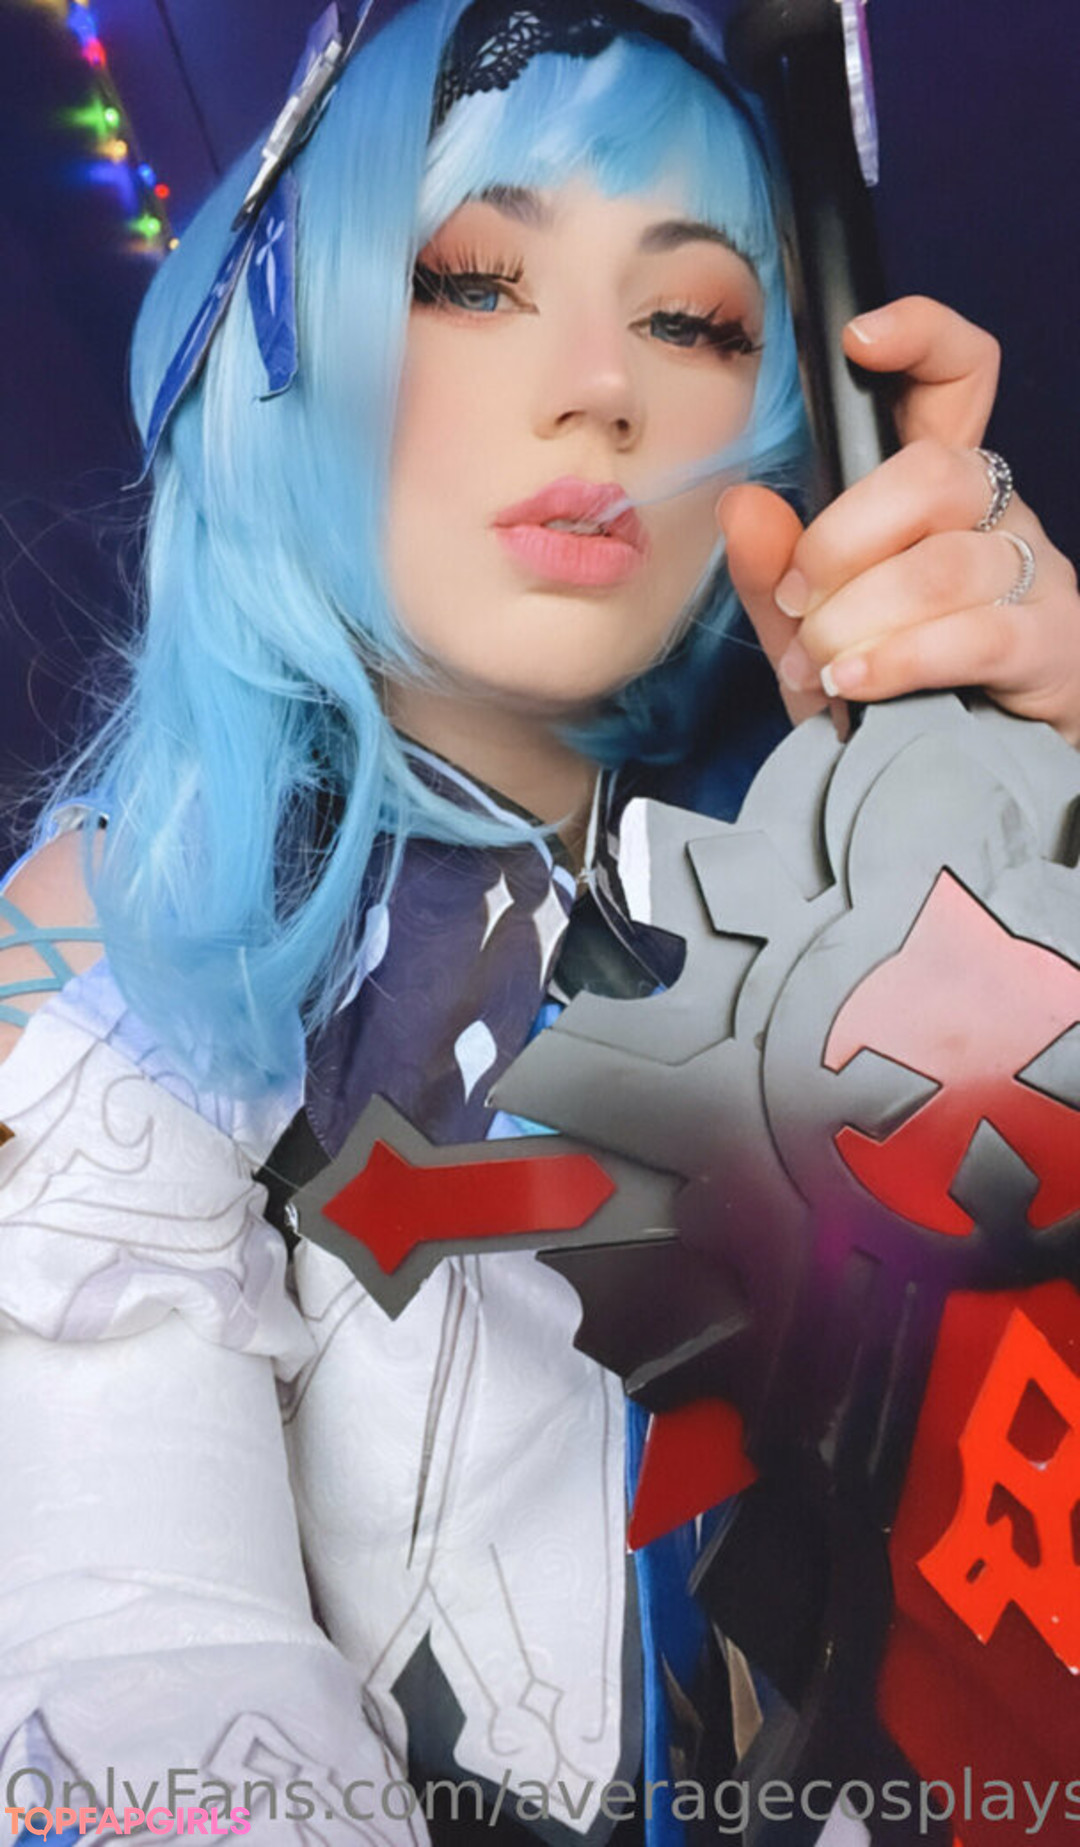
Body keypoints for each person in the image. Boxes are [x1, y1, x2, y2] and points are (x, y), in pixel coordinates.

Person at [0, 0, 1078, 1839]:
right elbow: (130, 1649)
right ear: (281, 336)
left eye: (694, 319)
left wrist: (1014, 815)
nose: (602, 388)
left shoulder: (859, 855)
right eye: (474, 281)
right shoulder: (115, 924)